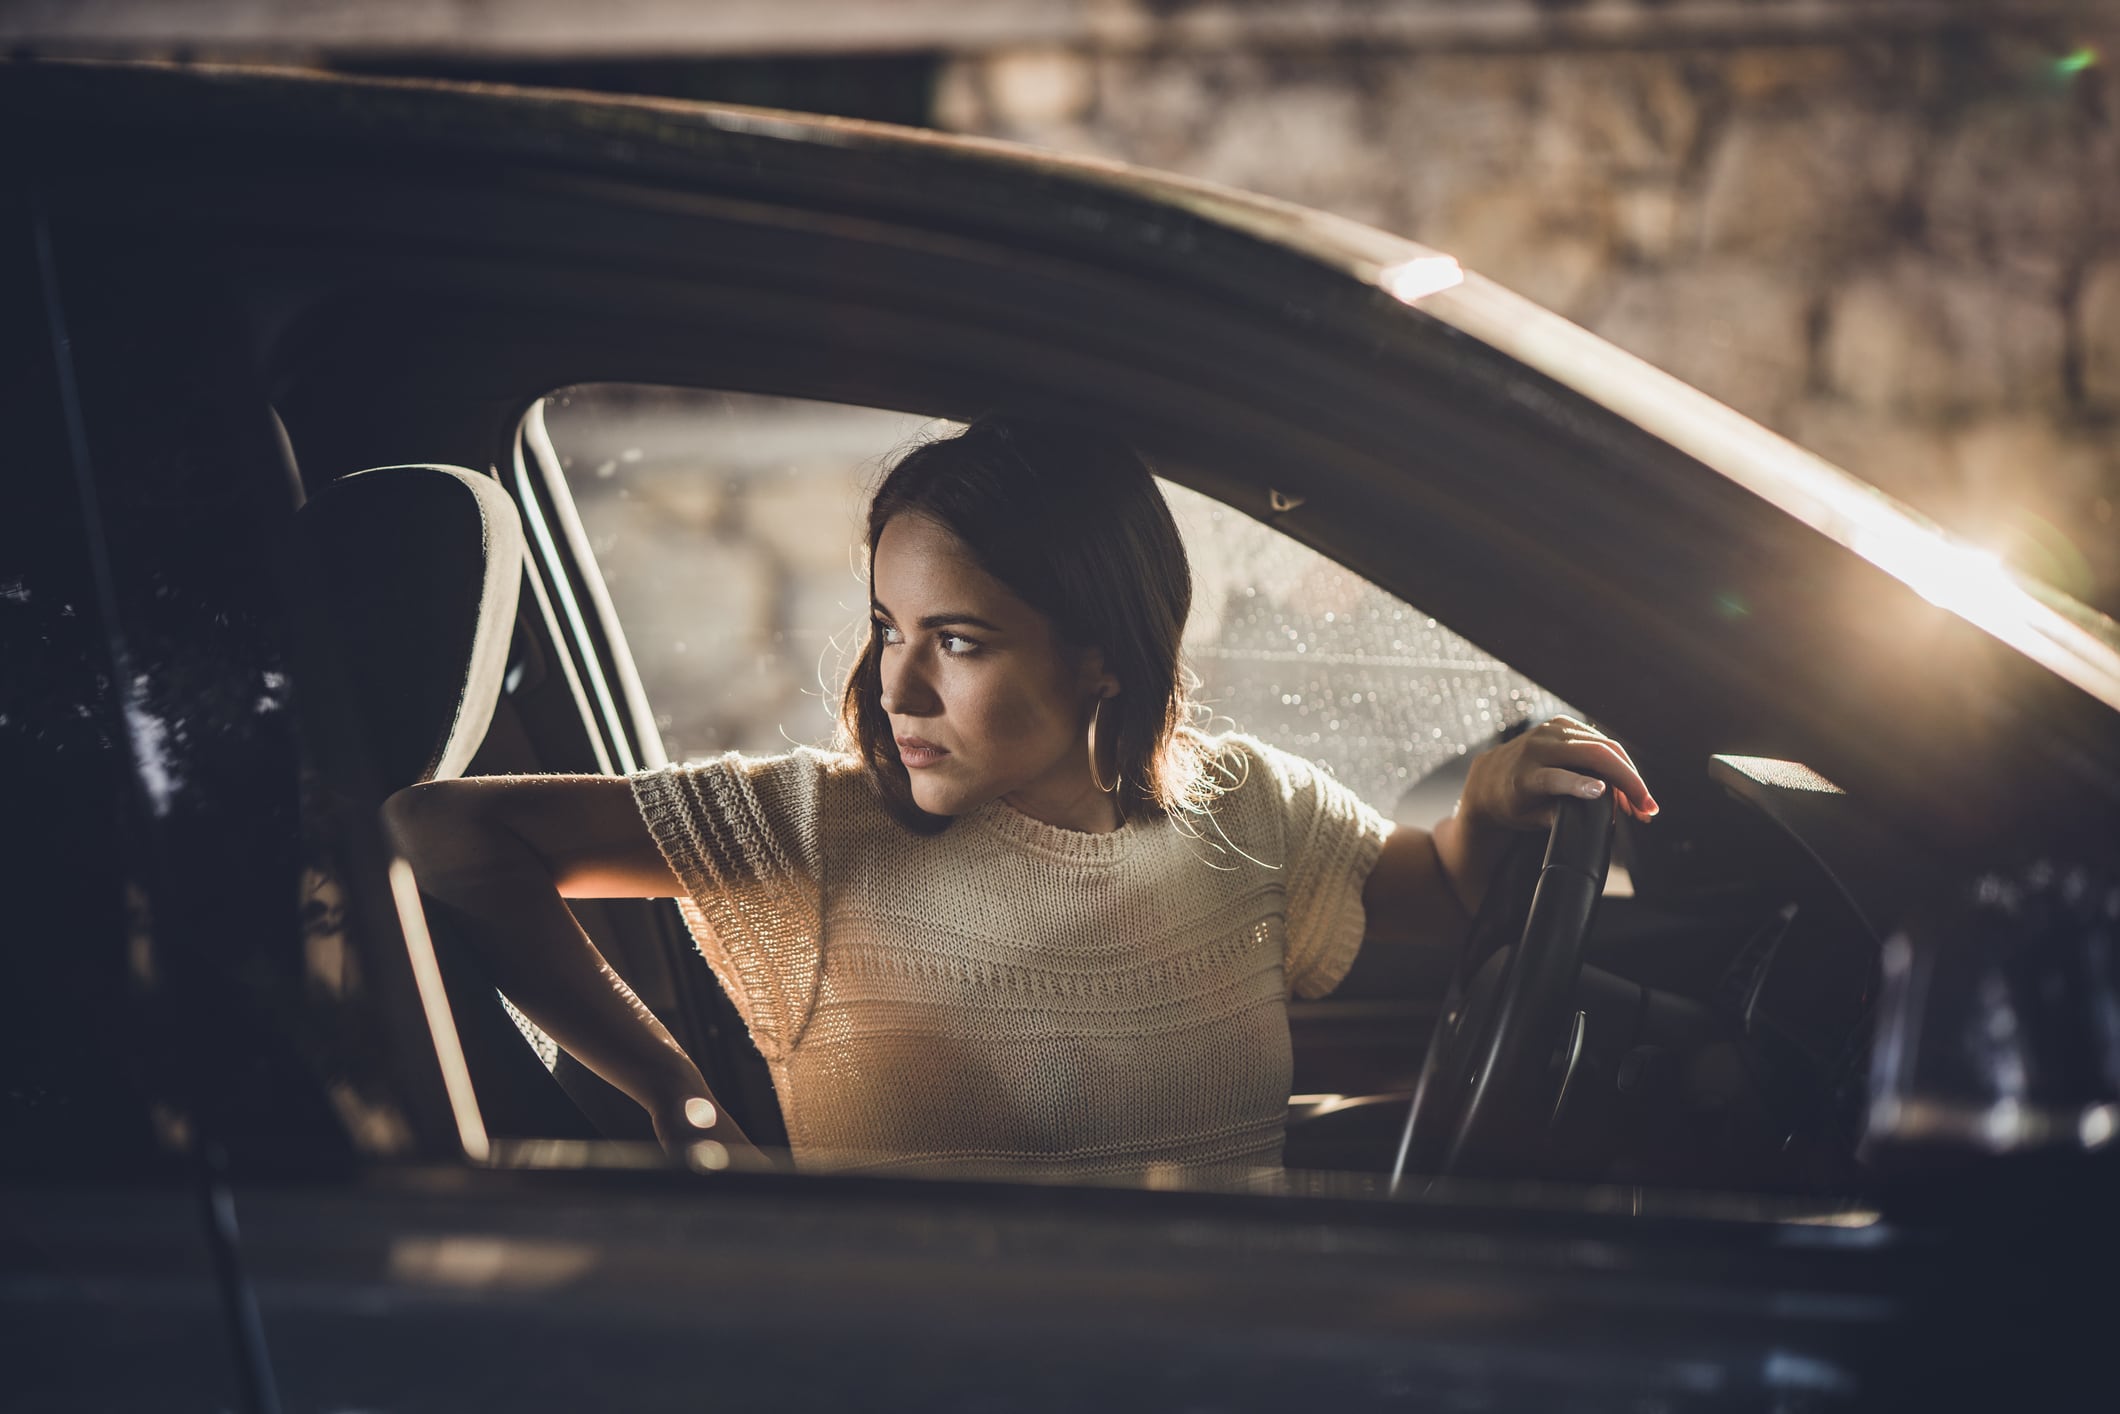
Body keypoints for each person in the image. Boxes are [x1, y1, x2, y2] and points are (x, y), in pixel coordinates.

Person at [384, 415, 1656, 1181]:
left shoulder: (1242, 805)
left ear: (1100, 651)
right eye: (887, 628)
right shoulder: (816, 829)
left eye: (960, 641)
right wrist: (676, 1094)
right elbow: (443, 832)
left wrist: (1492, 793)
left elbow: (1438, 888)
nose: (898, 685)